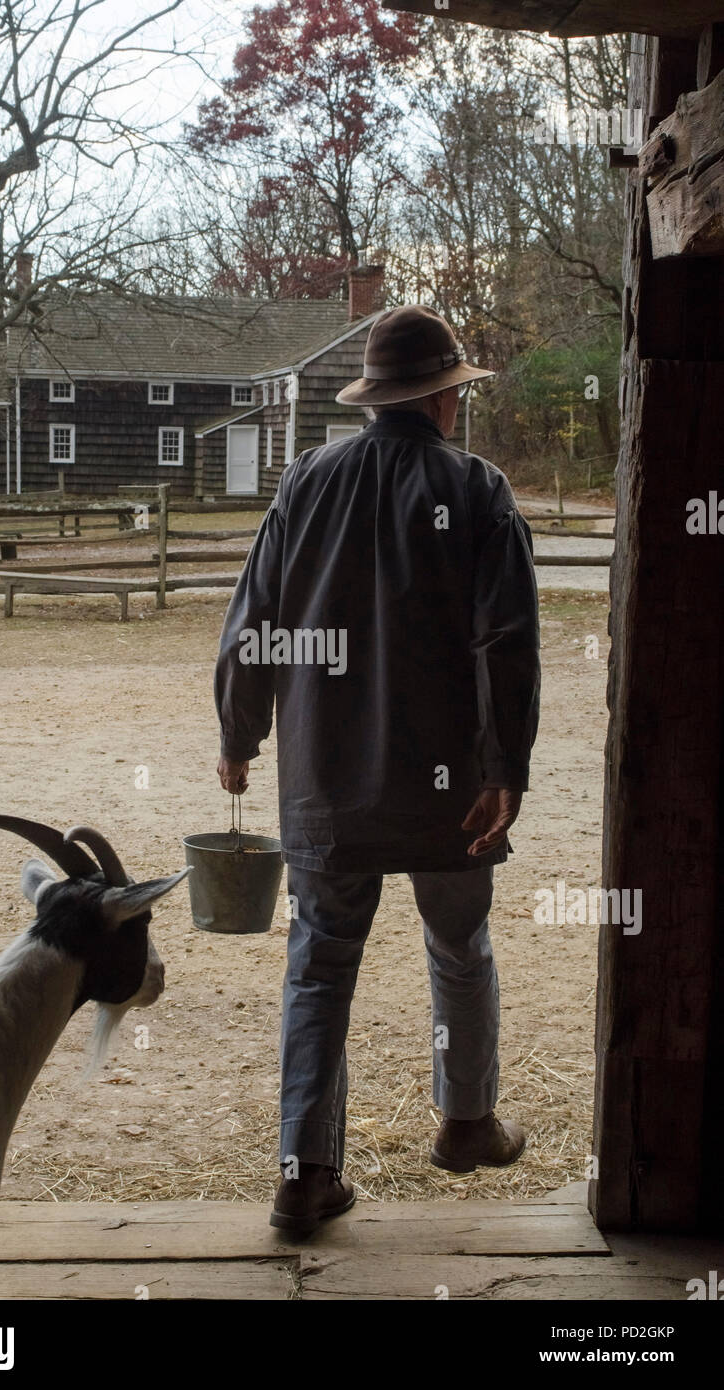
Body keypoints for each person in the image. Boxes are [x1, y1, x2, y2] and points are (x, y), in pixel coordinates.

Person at [214, 305, 540, 1236]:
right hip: (451, 791)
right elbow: (507, 643)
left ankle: (303, 1174)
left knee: (318, 969)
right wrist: (502, 767)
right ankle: (468, 1122)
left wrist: (239, 734)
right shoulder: (478, 489)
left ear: (375, 399)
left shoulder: (306, 482)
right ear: (442, 398)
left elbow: (254, 622)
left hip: (326, 780)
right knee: (459, 947)